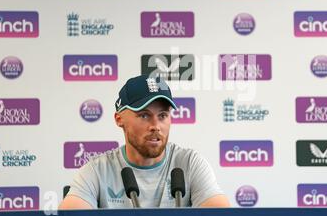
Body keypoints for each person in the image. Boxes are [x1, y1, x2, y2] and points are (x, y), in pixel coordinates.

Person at [59, 74, 230, 209]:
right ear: (119, 119)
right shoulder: (97, 170)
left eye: (162, 115)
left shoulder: (190, 163)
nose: (155, 126)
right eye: (144, 115)